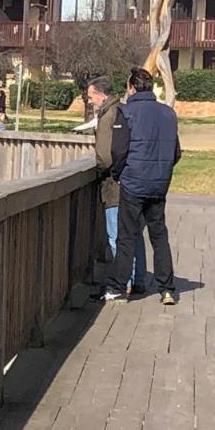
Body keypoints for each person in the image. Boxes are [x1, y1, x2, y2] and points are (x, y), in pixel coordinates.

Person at [102, 67, 182, 305]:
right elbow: (175, 151)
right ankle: (167, 288)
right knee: (159, 236)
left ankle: (118, 287)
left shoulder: (125, 113)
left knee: (126, 237)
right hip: (159, 184)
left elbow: (118, 151)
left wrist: (119, 174)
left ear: (131, 87)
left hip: (133, 183)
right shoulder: (169, 114)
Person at [86, 75, 147, 299]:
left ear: (101, 95)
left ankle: (123, 283)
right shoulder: (123, 110)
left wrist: (100, 170)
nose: (90, 100)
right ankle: (138, 279)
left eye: (91, 96)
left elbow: (104, 154)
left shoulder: (107, 115)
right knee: (134, 233)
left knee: (116, 235)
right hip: (133, 181)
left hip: (114, 183)